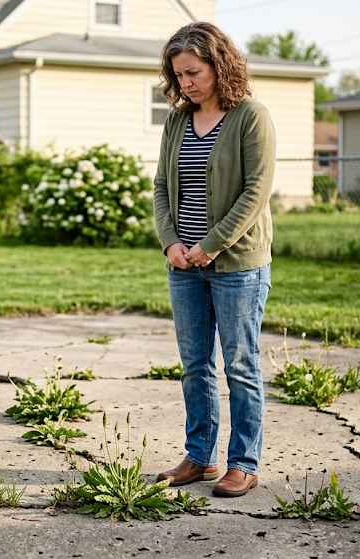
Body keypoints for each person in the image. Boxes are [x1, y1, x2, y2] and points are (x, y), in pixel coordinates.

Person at [151, 22, 275, 498]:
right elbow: (162, 186)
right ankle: (199, 457)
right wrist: (170, 243)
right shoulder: (177, 121)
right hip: (183, 264)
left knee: (240, 366)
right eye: (178, 75)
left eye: (193, 72)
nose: (185, 83)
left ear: (219, 65)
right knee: (195, 364)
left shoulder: (250, 116)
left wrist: (212, 244)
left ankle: (243, 463)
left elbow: (255, 193)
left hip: (237, 264)